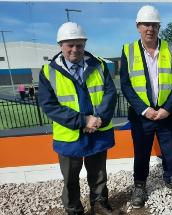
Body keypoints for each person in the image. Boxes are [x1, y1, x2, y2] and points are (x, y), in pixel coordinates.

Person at [38, 22, 118, 215]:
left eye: (79, 45)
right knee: (70, 177)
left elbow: (110, 93)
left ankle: (99, 204)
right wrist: (83, 121)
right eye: (70, 45)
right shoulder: (48, 72)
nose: (75, 49)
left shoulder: (99, 65)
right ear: (60, 45)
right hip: (69, 134)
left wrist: (97, 119)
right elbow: (50, 106)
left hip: (98, 129)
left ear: (85, 44)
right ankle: (74, 209)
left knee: (98, 173)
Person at [120, 5, 172, 209]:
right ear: (138, 26)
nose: (149, 28)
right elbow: (126, 84)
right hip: (142, 115)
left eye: (153, 24)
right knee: (141, 152)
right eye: (145, 24)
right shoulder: (128, 50)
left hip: (166, 112)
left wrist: (167, 107)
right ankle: (140, 186)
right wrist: (144, 109)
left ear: (159, 26)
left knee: (169, 150)